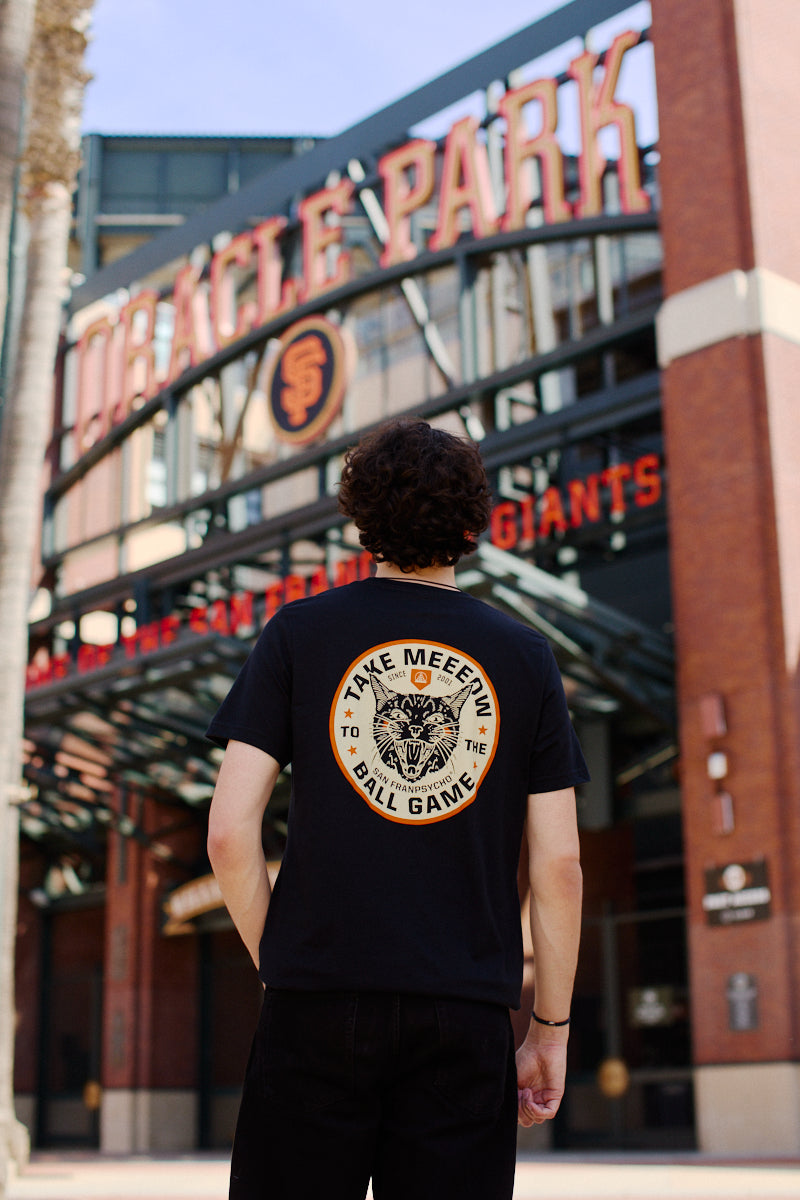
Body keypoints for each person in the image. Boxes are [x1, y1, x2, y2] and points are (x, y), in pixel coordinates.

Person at [206, 416, 587, 1200]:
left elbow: (228, 835)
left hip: (317, 998)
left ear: (361, 519)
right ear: (473, 523)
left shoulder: (299, 634)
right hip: (464, 1012)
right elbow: (559, 865)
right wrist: (549, 1029)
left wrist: (283, 961)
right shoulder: (524, 657)